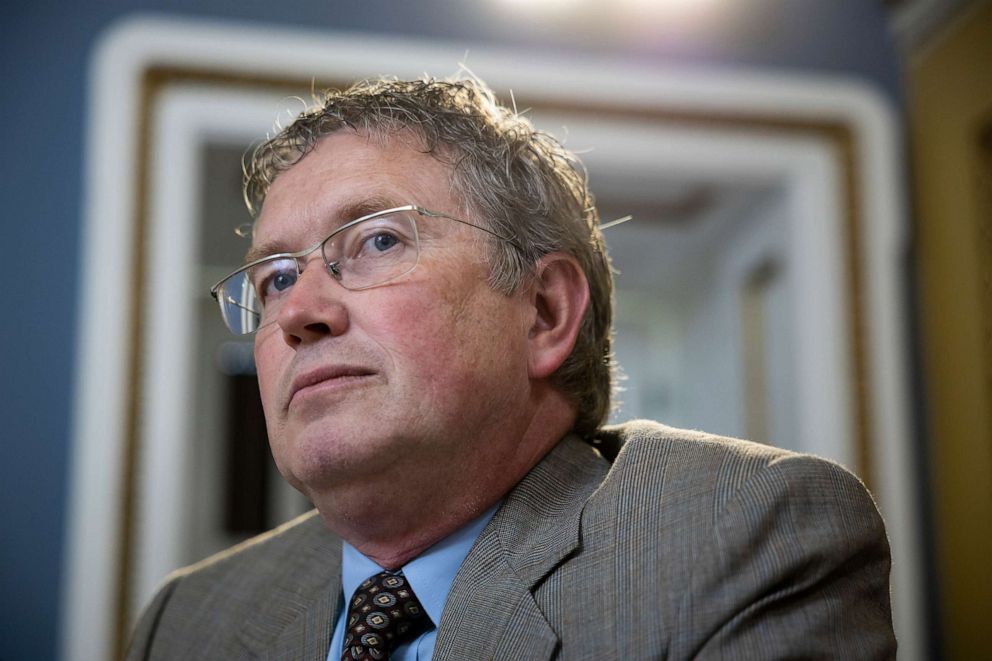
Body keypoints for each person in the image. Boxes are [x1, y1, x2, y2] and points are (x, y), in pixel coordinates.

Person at [127, 77, 896, 660]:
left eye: (378, 241)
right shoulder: (186, 618)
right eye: (276, 279)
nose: (297, 313)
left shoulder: (746, 536)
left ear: (545, 312)